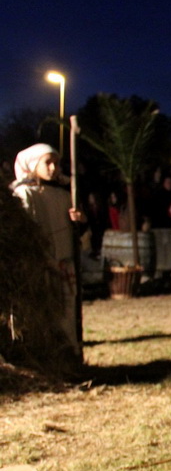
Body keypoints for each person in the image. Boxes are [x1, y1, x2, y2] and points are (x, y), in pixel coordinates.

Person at [9, 143, 87, 366]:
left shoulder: (63, 196)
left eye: (56, 162)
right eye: (47, 162)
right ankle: (47, 363)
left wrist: (78, 220)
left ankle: (69, 360)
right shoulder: (23, 194)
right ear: (33, 164)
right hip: (42, 267)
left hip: (64, 266)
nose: (53, 168)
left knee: (67, 315)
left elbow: (78, 233)